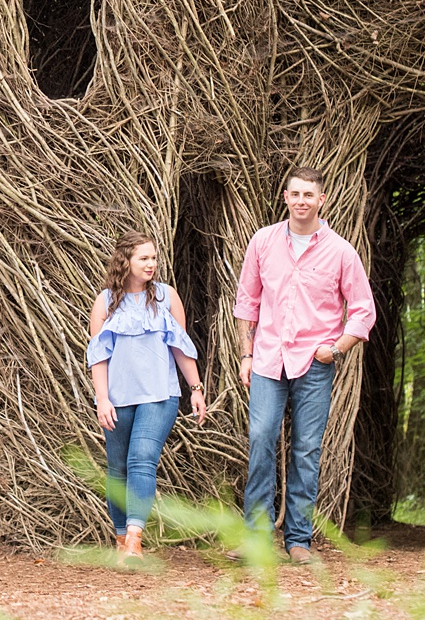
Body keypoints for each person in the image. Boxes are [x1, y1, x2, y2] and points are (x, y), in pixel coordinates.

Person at [234, 165, 375, 564]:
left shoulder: (341, 251)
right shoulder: (262, 242)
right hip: (266, 358)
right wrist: (246, 355)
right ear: (286, 197)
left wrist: (337, 348)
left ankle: (298, 541)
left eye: (308, 195)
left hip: (315, 362)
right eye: (295, 194)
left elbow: (363, 310)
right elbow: (248, 302)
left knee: (307, 449)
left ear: (321, 200)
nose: (301, 201)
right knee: (261, 437)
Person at [87, 230, 208, 561]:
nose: (151, 263)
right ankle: (121, 538)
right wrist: (102, 398)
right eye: (144, 258)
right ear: (125, 261)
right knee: (117, 469)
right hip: (118, 398)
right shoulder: (105, 302)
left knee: (142, 458)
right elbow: (98, 355)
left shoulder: (167, 297)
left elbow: (181, 347)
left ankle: (135, 541)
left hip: (160, 394)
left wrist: (195, 389)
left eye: (154, 257)